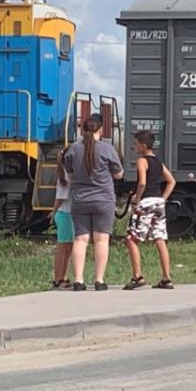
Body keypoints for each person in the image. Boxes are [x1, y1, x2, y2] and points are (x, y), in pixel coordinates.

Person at [65, 116, 123, 291]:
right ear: (101, 130)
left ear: (82, 130)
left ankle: (78, 280)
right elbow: (119, 174)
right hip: (103, 199)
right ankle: (99, 280)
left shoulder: (73, 149)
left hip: (80, 200)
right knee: (101, 239)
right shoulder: (107, 149)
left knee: (80, 239)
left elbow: (69, 175)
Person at [123, 130, 176, 289]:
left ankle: (137, 276)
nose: (134, 146)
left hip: (145, 202)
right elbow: (171, 181)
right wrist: (163, 199)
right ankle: (166, 278)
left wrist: (136, 199)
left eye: (136, 143)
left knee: (131, 238)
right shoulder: (158, 162)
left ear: (143, 145)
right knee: (159, 238)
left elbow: (142, 183)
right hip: (158, 202)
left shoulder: (142, 161)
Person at [50, 148, 73, 289]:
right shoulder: (65, 175)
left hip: (68, 213)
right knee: (63, 247)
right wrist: (53, 212)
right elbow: (60, 198)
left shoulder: (67, 173)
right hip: (65, 213)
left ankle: (63, 277)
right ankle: (58, 278)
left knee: (68, 247)